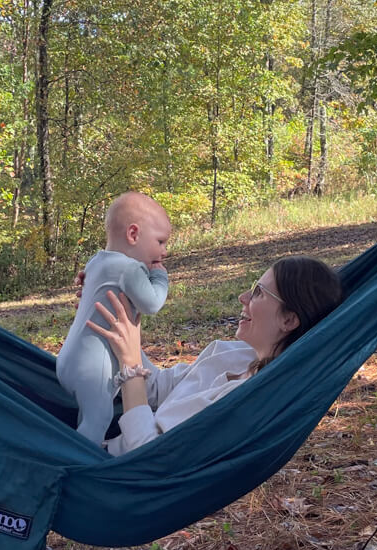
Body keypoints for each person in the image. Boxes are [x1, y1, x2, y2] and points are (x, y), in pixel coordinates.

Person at [86, 255, 344, 456]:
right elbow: (156, 387)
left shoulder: (247, 399)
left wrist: (131, 363)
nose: (243, 297)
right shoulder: (231, 353)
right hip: (98, 443)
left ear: (288, 320)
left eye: (258, 293)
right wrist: (110, 312)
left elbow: (146, 451)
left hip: (110, 472)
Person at [57, 192, 173, 444]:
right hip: (93, 368)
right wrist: (160, 277)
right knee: (98, 417)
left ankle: (79, 447)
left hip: (69, 361)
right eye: (161, 242)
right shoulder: (130, 268)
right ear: (133, 234)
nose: (164, 251)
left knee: (90, 414)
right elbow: (152, 303)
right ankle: (82, 462)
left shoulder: (96, 261)